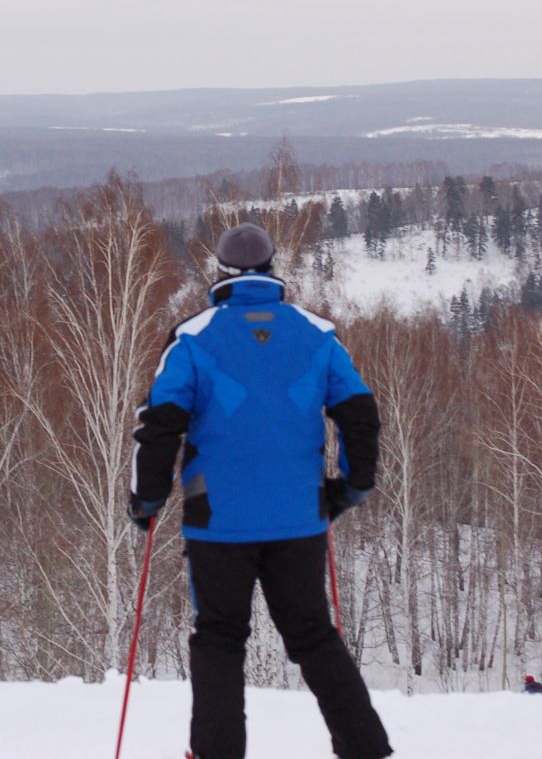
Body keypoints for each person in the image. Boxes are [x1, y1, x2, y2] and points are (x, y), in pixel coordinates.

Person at [127, 223, 393, 759]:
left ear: (220, 273)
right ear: (273, 268)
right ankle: (365, 749)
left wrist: (146, 500)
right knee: (314, 637)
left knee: (220, 640)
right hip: (299, 517)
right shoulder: (317, 334)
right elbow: (360, 415)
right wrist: (352, 488)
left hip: (217, 521)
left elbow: (159, 424)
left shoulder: (194, 336)